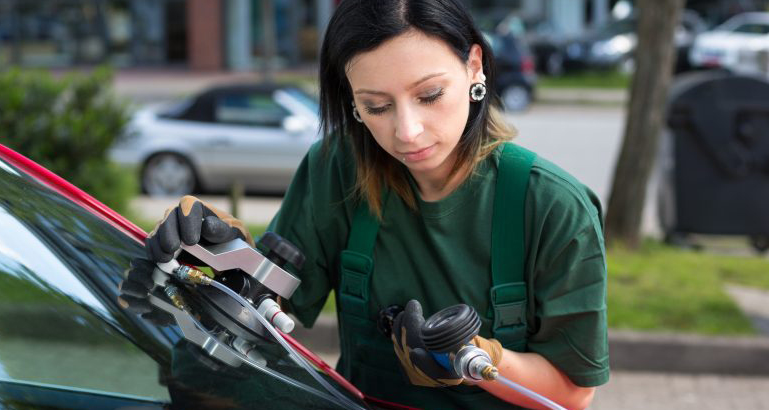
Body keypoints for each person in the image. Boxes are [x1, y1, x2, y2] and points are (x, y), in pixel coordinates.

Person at [127, 0, 609, 408]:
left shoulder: (552, 207)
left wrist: (477, 361)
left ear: (474, 66)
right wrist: (221, 263)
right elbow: (265, 311)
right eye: (377, 106)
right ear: (353, 103)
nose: (407, 131)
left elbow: (573, 392)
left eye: (430, 95)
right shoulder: (337, 169)